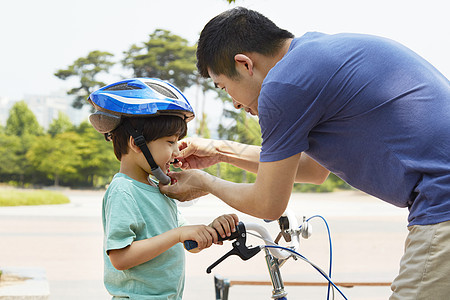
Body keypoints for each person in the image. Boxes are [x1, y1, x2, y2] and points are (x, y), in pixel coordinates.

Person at [159, 7, 450, 300]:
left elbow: (268, 204)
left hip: (442, 198)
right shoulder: (310, 57)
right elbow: (314, 169)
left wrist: (205, 182)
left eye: (224, 87)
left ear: (245, 64)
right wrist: (221, 152)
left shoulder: (282, 85)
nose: (234, 104)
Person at [88, 78, 239, 299]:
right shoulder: (123, 190)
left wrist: (210, 230)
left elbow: (187, 242)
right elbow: (120, 258)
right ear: (135, 143)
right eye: (170, 142)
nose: (177, 151)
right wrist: (177, 235)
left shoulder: (158, 188)